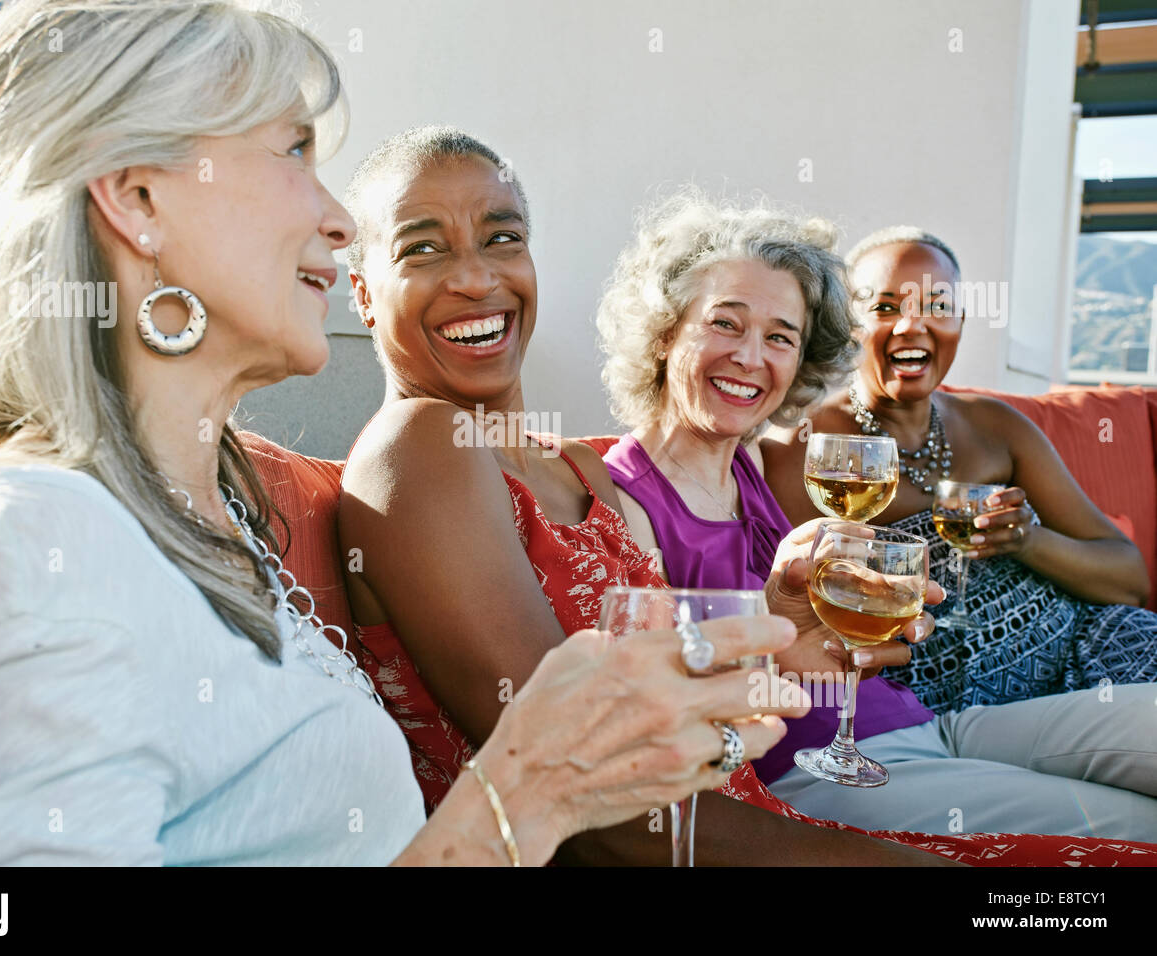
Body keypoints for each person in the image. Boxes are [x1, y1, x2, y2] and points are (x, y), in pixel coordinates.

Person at [0, 0, 803, 867]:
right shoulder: (45, 540)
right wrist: (525, 795)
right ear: (139, 198)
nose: (338, 218)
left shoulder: (209, 519)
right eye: (292, 151)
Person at [336, 126, 1157, 864]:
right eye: (423, 249)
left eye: (502, 238)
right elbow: (584, 783)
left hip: (853, 747)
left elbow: (680, 690)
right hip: (774, 797)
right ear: (361, 291)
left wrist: (784, 635)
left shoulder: (573, 473)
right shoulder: (429, 447)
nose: (477, 277)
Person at [593, 192, 1157, 840]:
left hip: (923, 723)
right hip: (819, 765)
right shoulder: (628, 498)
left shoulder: (743, 468)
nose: (754, 357)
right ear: (665, 331)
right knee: (1134, 827)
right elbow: (647, 705)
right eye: (726, 323)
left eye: (781, 336)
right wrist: (777, 641)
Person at [760, 227, 1157, 715]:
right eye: (885, 308)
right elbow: (794, 605)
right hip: (951, 709)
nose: (911, 326)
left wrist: (1027, 540)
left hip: (1089, 649)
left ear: (961, 323)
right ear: (849, 325)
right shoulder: (809, 451)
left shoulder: (997, 425)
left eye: (937, 306)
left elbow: (1129, 579)